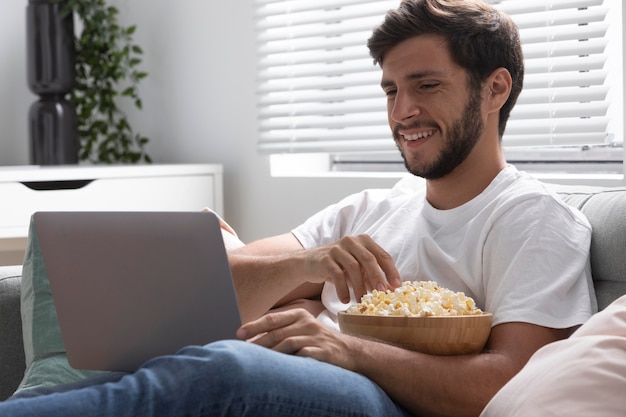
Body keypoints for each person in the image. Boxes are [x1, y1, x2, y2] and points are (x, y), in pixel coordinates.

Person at [1, 1, 596, 416]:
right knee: (200, 357)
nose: (402, 111)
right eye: (391, 90)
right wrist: (305, 269)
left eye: (427, 85)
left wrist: (346, 347)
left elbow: (511, 385)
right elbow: (211, 293)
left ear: (496, 89)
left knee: (223, 369)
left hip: (388, 402)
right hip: (295, 373)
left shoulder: (534, 219)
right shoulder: (370, 207)